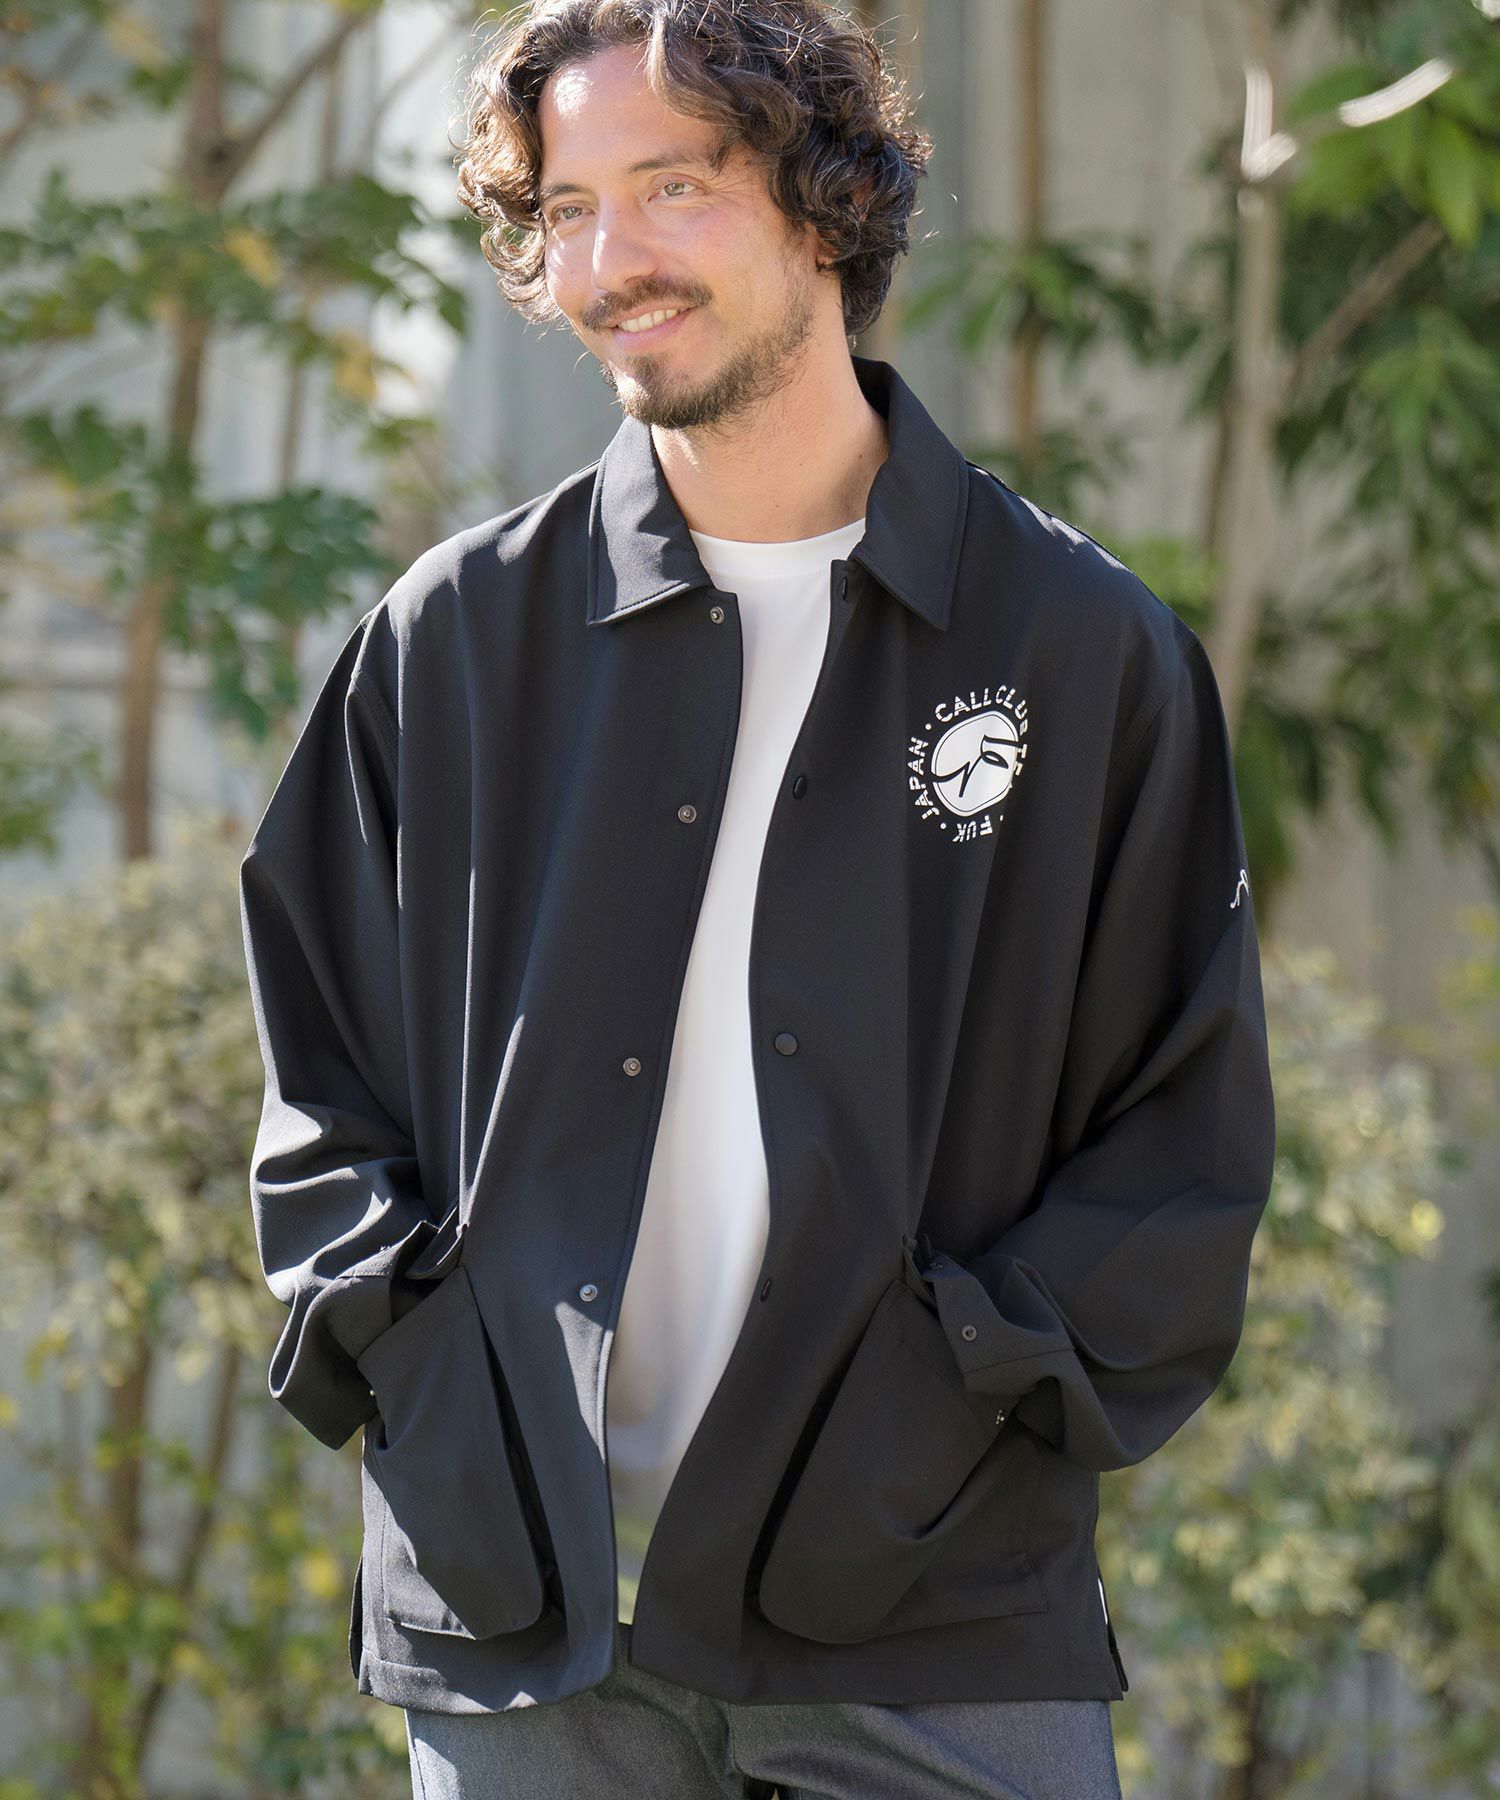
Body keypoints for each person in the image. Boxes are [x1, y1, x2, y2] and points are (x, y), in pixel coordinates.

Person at [237, 2, 1276, 1795]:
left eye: (674, 186)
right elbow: (319, 1074)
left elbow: (1176, 1132)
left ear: (825, 202)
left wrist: (951, 1403)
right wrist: (417, 1358)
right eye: (567, 207)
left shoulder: (1079, 649)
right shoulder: (452, 641)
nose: (610, 262)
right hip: (521, 1618)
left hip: (934, 1610)